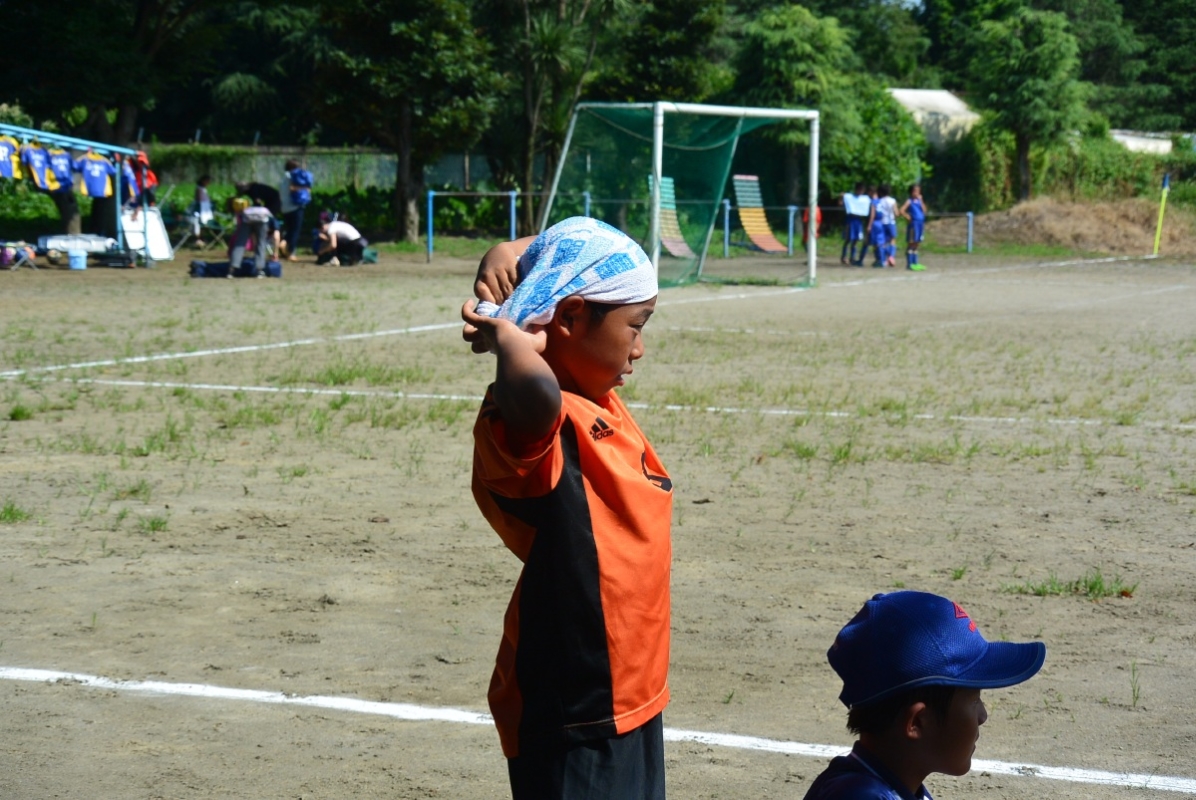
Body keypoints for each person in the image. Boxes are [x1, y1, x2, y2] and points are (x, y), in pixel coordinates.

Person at [461, 217, 672, 800]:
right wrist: (509, 339)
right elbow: (535, 396)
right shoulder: (529, 420)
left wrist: (509, 249)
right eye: (636, 326)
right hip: (576, 707)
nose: (640, 347)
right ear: (571, 317)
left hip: (631, 692)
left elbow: (584, 243)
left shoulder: (593, 395)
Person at [803, 591, 1046, 800]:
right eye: (974, 699)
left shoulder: (888, 785)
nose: (983, 716)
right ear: (917, 722)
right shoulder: (859, 796)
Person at [227, 197, 280, 277]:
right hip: (262, 222)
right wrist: (275, 252)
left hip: (246, 220)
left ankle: (231, 270)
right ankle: (260, 271)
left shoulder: (246, 209)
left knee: (240, 243)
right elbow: (276, 237)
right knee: (261, 244)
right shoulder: (267, 213)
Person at [279, 159, 313, 261]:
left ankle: (284, 245)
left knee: (290, 229)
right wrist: (305, 189)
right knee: (295, 231)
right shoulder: (293, 176)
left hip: (284, 208)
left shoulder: (282, 178)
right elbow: (294, 188)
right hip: (295, 207)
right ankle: (290, 252)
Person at [840, 182, 869, 266]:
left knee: (856, 239)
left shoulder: (864, 199)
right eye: (860, 190)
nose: (861, 192)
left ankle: (852, 257)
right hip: (850, 219)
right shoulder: (849, 197)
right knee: (848, 239)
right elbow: (841, 203)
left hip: (858, 220)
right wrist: (841, 197)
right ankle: (844, 256)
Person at [900, 184, 927, 272]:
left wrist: (921, 200)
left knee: (917, 243)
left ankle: (916, 263)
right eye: (915, 191)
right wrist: (907, 217)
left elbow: (924, 211)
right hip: (913, 224)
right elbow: (902, 210)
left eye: (918, 191)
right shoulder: (909, 201)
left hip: (920, 223)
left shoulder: (919, 201)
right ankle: (910, 263)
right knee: (911, 243)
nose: (917, 193)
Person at [876, 183, 900, 268]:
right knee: (892, 240)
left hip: (882, 222)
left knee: (884, 242)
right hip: (891, 222)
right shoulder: (892, 200)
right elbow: (896, 213)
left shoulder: (879, 201)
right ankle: (891, 256)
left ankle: (884, 259)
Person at [190, 175, 214, 245]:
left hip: (205, 209)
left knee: (203, 224)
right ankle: (198, 238)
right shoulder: (199, 188)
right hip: (200, 209)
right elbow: (198, 199)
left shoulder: (203, 188)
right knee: (198, 224)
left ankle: (202, 237)